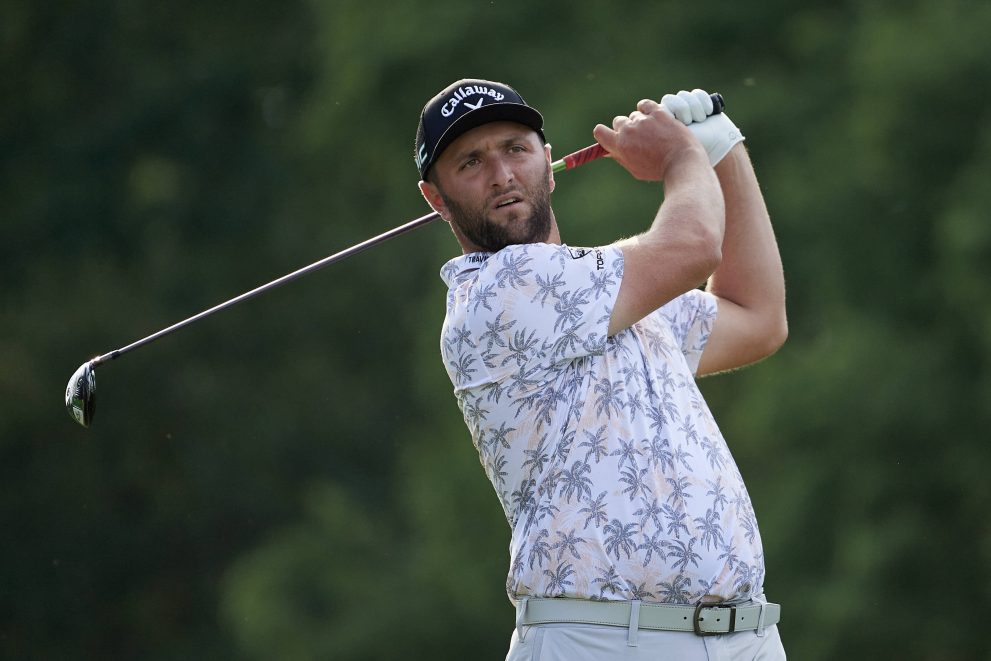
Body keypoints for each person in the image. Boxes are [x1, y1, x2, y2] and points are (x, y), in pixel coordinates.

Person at [415, 78, 787, 660]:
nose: (503, 175)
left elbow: (758, 316)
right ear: (436, 199)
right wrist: (682, 156)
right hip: (602, 641)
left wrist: (724, 150)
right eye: (471, 162)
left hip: (744, 639)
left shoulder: (609, 293)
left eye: (516, 148)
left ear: (549, 161)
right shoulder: (496, 296)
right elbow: (692, 244)